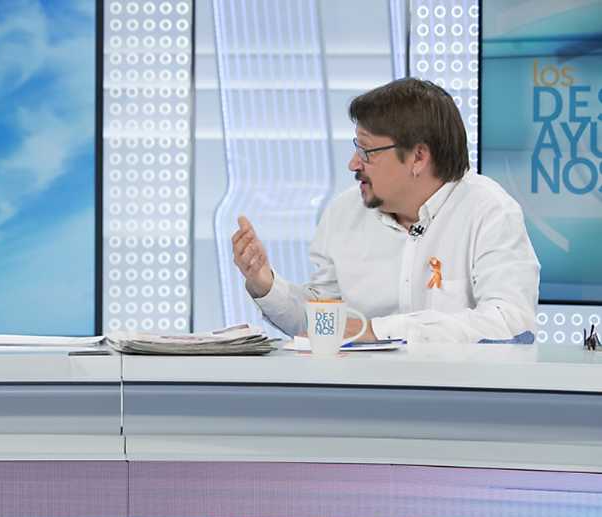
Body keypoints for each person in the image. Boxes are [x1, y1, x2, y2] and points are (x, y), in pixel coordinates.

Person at [231, 78, 540, 343]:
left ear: (418, 157)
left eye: (367, 151)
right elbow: (324, 325)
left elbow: (512, 322)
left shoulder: (489, 211)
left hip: (458, 392)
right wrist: (265, 284)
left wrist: (379, 332)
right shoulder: (343, 213)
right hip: (361, 392)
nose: (353, 164)